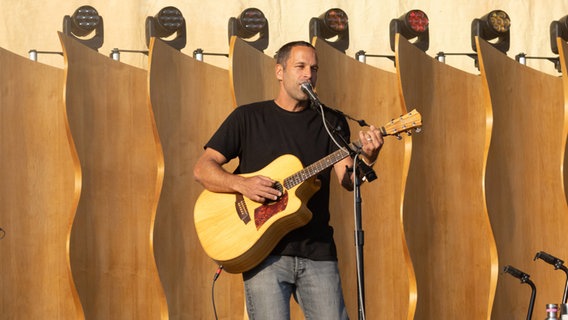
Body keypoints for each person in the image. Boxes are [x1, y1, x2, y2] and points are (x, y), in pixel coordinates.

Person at [193, 40, 383, 320]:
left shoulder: (331, 121)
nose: (309, 74)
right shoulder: (248, 117)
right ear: (279, 71)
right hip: (264, 253)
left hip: (317, 250)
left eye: (314, 68)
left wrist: (368, 157)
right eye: (301, 66)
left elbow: (348, 179)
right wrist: (243, 185)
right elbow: (203, 169)